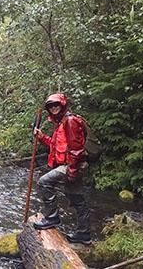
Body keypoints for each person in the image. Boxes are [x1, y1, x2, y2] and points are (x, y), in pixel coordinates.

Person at [33, 93, 91, 245]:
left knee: (43, 182)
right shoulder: (61, 123)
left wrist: (72, 170)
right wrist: (41, 137)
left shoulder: (70, 121)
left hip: (73, 165)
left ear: (63, 105)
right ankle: (84, 234)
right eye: (50, 106)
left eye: (56, 105)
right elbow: (56, 145)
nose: (53, 108)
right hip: (70, 165)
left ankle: (52, 217)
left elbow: (76, 149)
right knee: (77, 199)